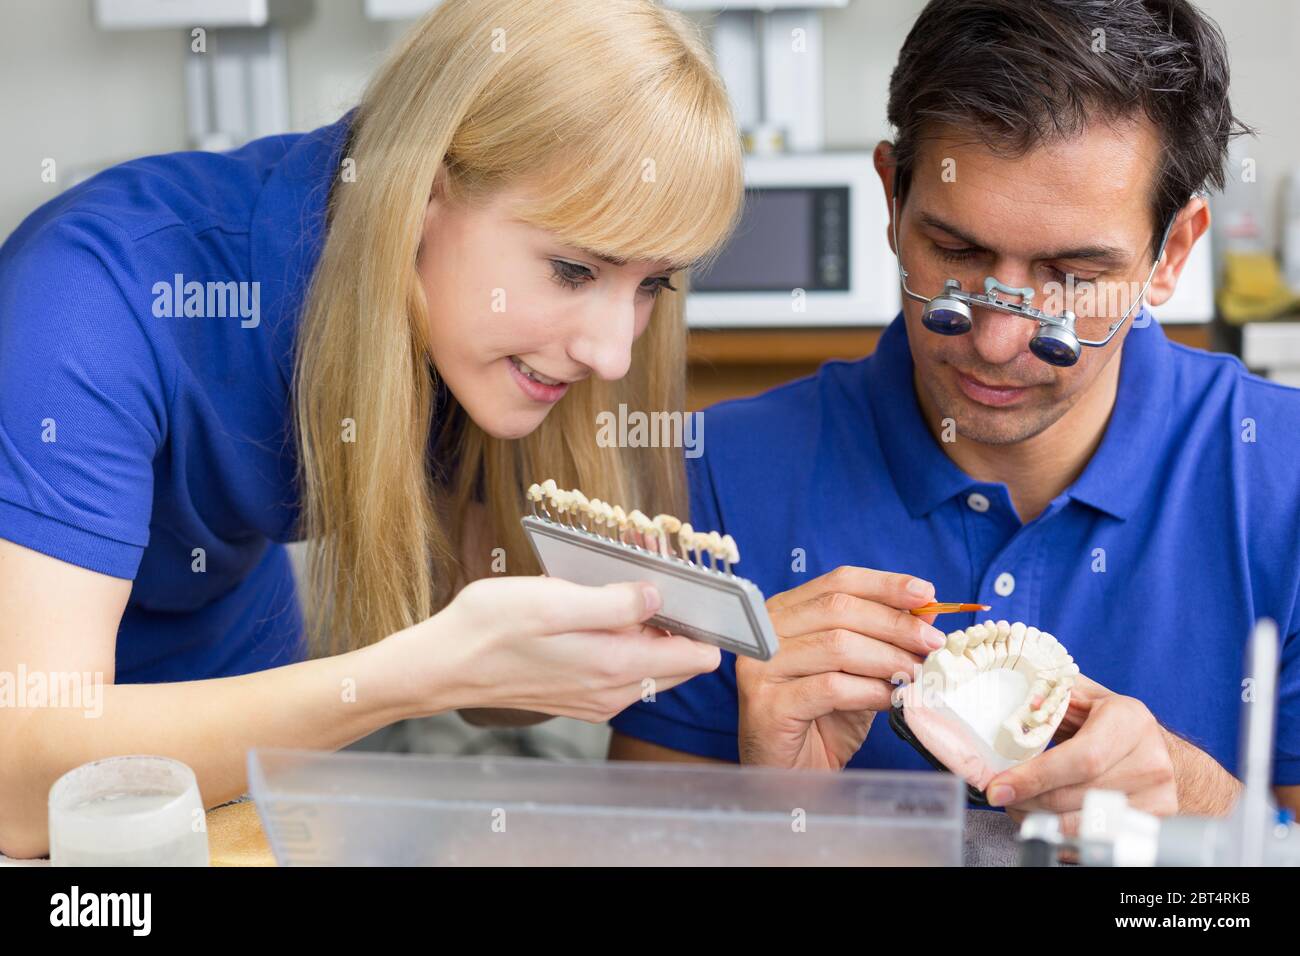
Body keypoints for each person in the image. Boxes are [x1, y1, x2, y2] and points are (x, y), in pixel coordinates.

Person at [0, 0, 740, 857]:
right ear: (422, 196)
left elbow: (491, 691)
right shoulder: (88, 297)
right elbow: (24, 786)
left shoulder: (474, 341)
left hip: (227, 650)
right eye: (574, 270)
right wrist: (403, 679)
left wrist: (692, 647)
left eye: (654, 286)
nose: (612, 353)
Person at [608, 0, 1300, 830]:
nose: (1000, 340)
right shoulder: (716, 484)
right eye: (959, 254)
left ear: (1173, 254)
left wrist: (1203, 814)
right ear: (893, 200)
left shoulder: (1284, 480)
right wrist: (780, 809)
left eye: (1072, 277)